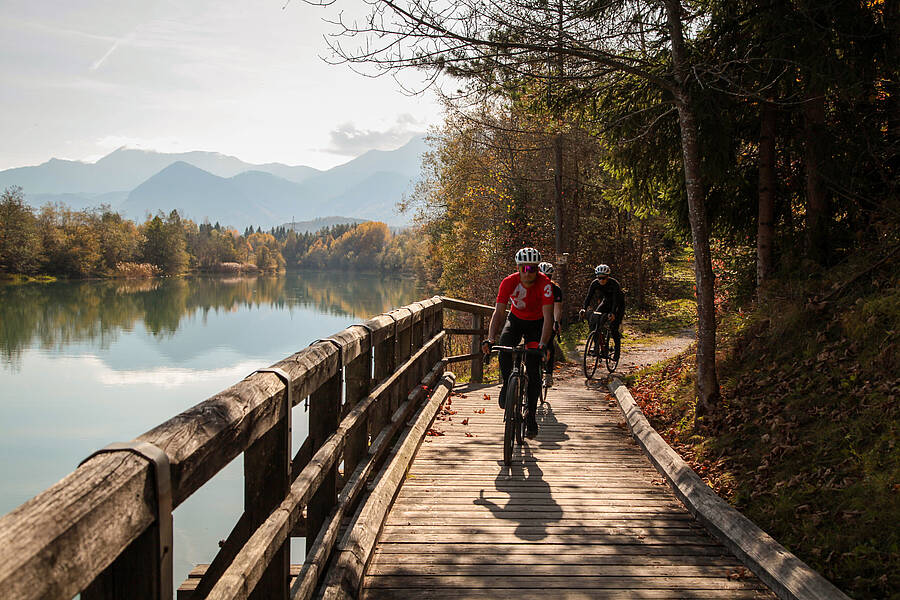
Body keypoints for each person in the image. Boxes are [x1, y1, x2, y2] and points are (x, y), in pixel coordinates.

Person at [481, 247, 554, 439]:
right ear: (518, 268)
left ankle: (530, 414)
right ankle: (507, 383)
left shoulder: (545, 284)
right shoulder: (508, 282)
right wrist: (490, 338)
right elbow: (498, 313)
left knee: (533, 366)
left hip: (536, 325)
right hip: (516, 320)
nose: (528, 273)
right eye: (524, 268)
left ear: (537, 269)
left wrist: (543, 344)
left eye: (533, 269)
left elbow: (549, 318)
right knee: (504, 348)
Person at [578, 264, 624, 361]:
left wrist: (612, 313)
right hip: (606, 302)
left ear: (608, 277)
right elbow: (588, 297)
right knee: (595, 320)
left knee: (614, 328)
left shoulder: (614, 284)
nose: (601, 280)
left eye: (603, 278)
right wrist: (583, 309)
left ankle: (617, 352)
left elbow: (616, 300)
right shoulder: (595, 283)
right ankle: (597, 346)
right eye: (599, 278)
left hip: (618, 305)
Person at [538, 261, 563, 387]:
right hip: (536, 317)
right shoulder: (532, 286)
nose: (546, 279)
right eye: (543, 275)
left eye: (548, 277)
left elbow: (557, 308)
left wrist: (556, 322)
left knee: (549, 343)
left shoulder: (556, 289)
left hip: (550, 318)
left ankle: (548, 374)